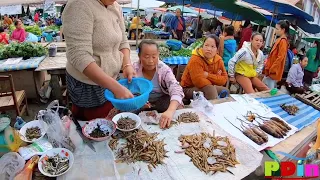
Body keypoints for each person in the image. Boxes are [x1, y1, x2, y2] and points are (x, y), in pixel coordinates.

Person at [63, 0, 135, 121]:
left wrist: (127, 64)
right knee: (93, 126)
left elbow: (123, 41)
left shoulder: (115, 6)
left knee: (112, 118)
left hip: (113, 79)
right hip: (87, 84)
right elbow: (79, 55)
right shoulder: (79, 5)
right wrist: (116, 88)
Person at [133, 40, 184, 129]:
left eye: (154, 56)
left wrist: (170, 111)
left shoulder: (164, 69)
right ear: (139, 56)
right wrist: (139, 101)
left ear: (158, 55)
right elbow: (128, 89)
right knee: (126, 110)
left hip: (161, 101)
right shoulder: (134, 69)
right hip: (141, 102)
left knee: (176, 108)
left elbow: (176, 88)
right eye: (146, 56)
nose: (151, 61)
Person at [181, 35, 229, 100]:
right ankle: (213, 108)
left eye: (212, 46)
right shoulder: (195, 59)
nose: (209, 49)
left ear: (217, 50)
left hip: (207, 86)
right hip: (188, 89)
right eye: (206, 45)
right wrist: (216, 79)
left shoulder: (218, 60)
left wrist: (207, 75)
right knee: (210, 90)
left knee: (225, 90)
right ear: (202, 46)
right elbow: (199, 81)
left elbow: (224, 80)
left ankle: (216, 102)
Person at [263, 20, 290, 89]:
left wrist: (272, 69)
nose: (275, 30)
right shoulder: (280, 39)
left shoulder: (283, 41)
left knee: (269, 89)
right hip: (271, 68)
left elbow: (280, 57)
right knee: (266, 87)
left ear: (283, 30)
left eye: (277, 29)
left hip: (273, 70)